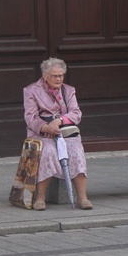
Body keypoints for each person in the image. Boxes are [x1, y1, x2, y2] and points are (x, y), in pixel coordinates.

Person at [23, 58, 92, 211]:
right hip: (42, 133)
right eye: (55, 76)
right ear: (45, 75)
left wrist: (59, 121)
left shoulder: (69, 90)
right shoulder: (31, 90)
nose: (59, 79)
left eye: (61, 75)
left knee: (76, 151)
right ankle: (40, 197)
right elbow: (30, 117)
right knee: (48, 151)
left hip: (65, 132)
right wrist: (45, 127)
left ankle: (82, 198)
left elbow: (76, 113)